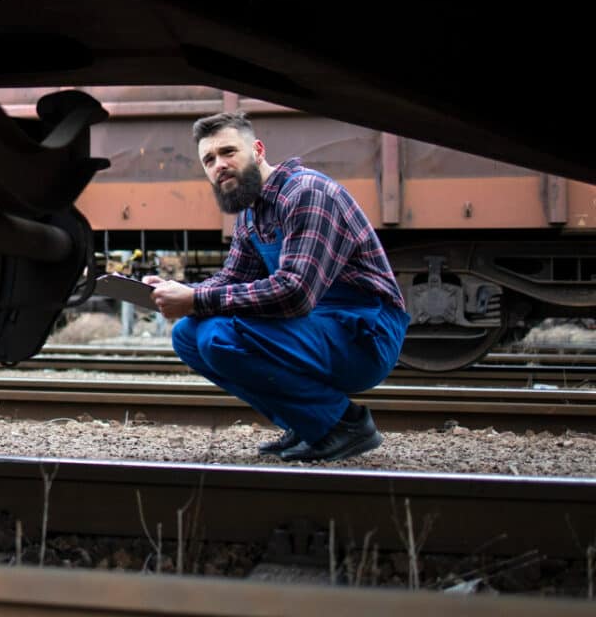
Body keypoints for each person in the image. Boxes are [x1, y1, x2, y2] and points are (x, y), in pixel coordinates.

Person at [144, 111, 411, 461]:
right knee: (188, 335)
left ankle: (341, 424)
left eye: (228, 152)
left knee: (217, 336)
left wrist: (196, 299)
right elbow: (231, 280)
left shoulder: (306, 193)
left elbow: (295, 293)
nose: (219, 165)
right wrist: (178, 290)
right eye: (209, 160)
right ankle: (307, 423)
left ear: (257, 150)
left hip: (363, 333)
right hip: (317, 327)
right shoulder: (251, 215)